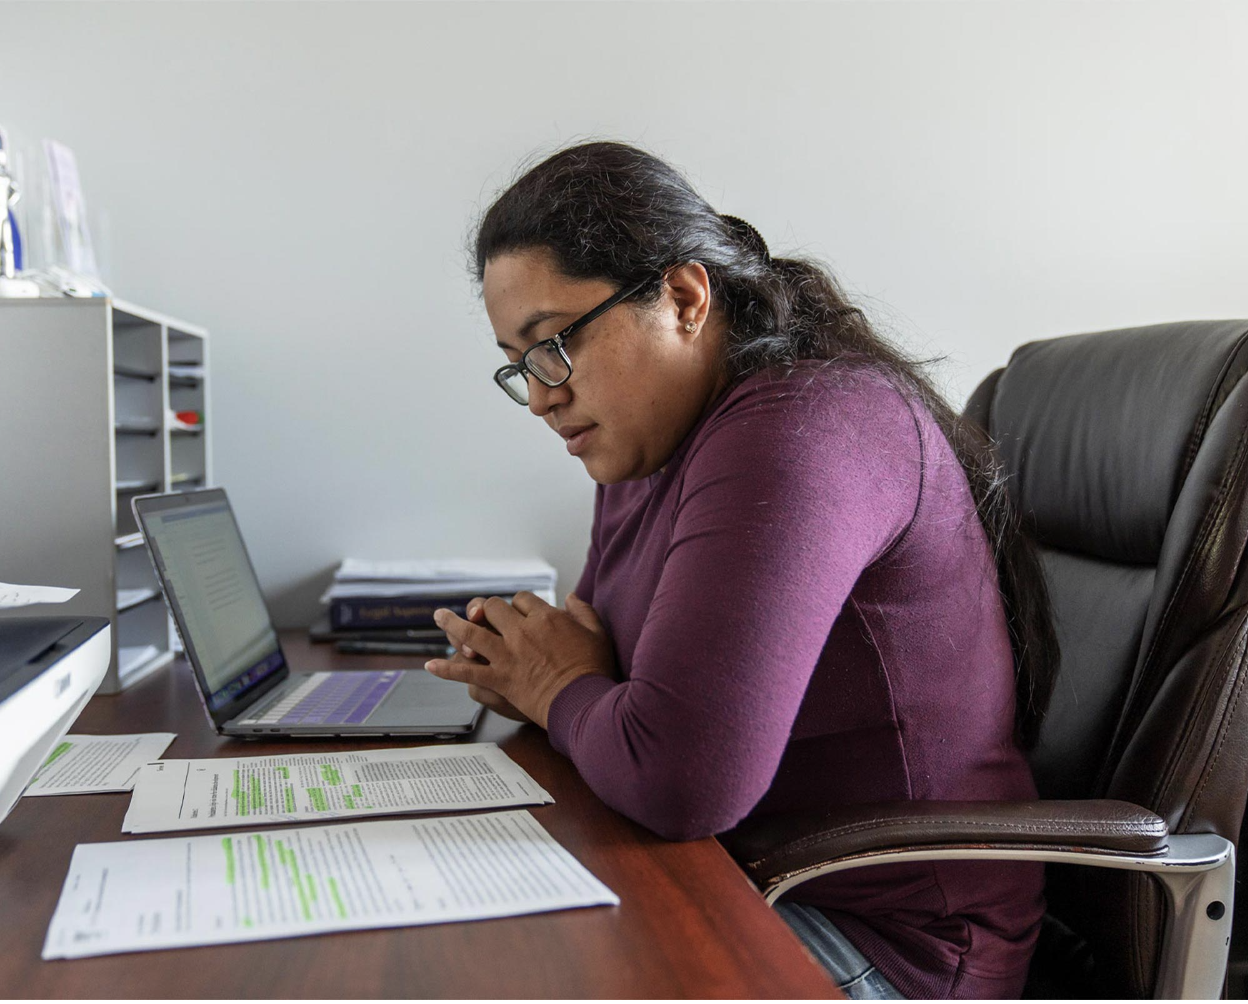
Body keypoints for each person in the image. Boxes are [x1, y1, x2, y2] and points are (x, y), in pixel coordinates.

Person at [423, 141, 1058, 999]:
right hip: (738, 879)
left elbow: (682, 778)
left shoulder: (800, 429)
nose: (540, 395)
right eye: (518, 364)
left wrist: (551, 688)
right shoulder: (645, 445)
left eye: (554, 345)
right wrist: (556, 676)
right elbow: (597, 654)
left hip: (885, 947)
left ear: (684, 297)